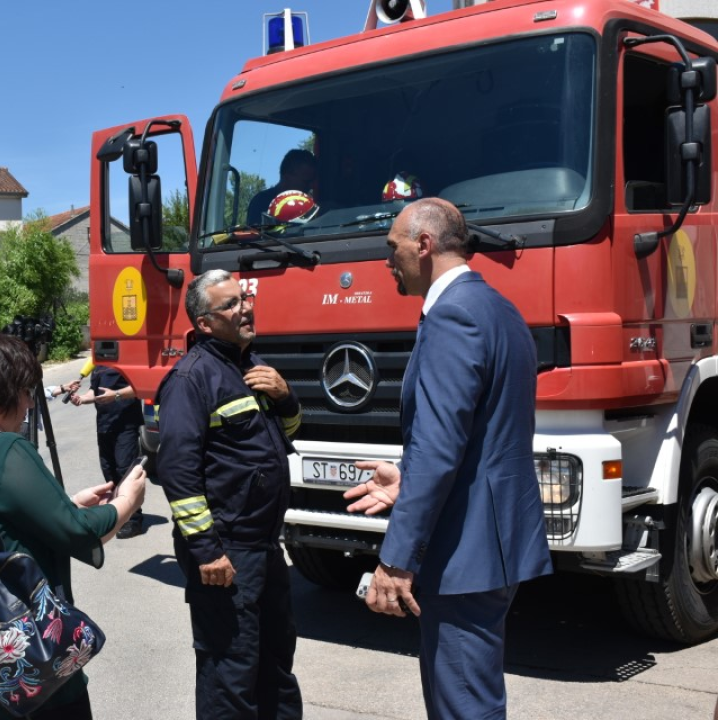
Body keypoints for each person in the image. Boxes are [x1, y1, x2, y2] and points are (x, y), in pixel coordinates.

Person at [343, 198, 552, 720]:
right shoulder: (499, 308)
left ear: (424, 244)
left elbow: (438, 448)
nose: (385, 261)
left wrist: (396, 560)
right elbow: (480, 434)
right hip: (492, 543)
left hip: (464, 553)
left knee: (462, 706)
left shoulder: (451, 316)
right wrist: (405, 477)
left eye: (391, 248)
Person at [0, 333, 146, 720]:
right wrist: (126, 501)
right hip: (11, 648)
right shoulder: (5, 449)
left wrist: (66, 503)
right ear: (0, 392)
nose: (29, 403)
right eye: (25, 391)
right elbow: (78, 532)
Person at [156, 269, 303, 719]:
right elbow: (177, 472)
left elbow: (287, 434)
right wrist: (207, 551)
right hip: (227, 553)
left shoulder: (252, 366)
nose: (246, 308)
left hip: (264, 545)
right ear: (204, 323)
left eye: (245, 299)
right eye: (232, 304)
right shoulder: (191, 379)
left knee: (276, 666)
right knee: (230, 678)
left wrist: (286, 397)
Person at [71, 359, 146, 539]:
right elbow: (94, 391)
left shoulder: (127, 358)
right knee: (109, 470)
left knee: (125, 470)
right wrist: (83, 398)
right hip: (105, 425)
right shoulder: (98, 364)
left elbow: (140, 387)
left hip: (125, 425)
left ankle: (134, 519)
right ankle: (117, 513)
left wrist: (116, 395)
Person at [246, 148, 317, 226]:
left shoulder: (312, 207)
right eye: (306, 181)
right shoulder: (261, 202)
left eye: (312, 181)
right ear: (287, 177)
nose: (311, 186)